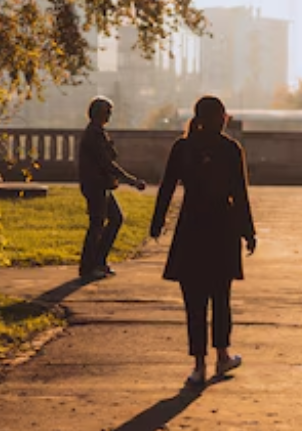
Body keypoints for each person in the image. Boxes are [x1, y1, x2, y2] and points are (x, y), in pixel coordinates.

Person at [149, 95, 256, 387]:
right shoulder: (231, 149)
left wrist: (157, 223)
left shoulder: (183, 147)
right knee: (221, 297)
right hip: (222, 228)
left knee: (193, 300)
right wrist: (248, 231)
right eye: (223, 115)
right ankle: (222, 354)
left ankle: (199, 364)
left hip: (191, 228)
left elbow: (167, 187)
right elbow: (240, 194)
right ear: (218, 117)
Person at [78, 96, 146, 280]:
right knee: (97, 224)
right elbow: (106, 163)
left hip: (100, 185)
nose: (109, 116)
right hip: (96, 185)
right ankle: (89, 266)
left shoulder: (97, 132)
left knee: (114, 219)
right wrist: (132, 181)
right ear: (98, 113)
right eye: (107, 112)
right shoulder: (94, 134)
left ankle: (98, 261)